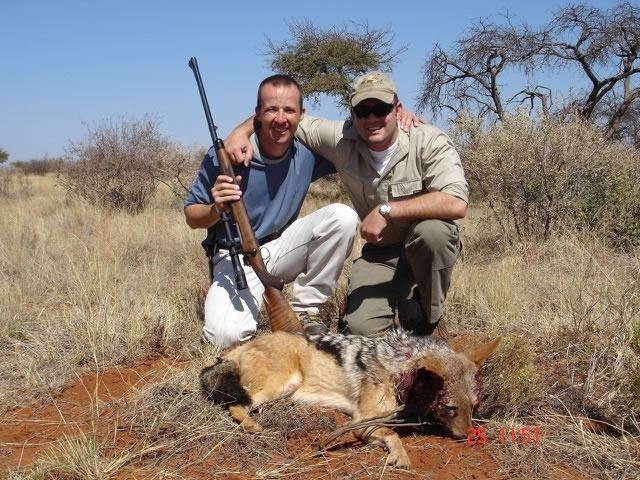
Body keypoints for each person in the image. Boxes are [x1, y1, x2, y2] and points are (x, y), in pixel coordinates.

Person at [225, 71, 468, 336]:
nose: (372, 118)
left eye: (381, 109)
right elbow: (284, 117)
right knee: (361, 329)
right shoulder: (340, 137)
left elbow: (456, 201)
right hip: (382, 254)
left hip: (423, 246)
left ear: (397, 109)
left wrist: (387, 211)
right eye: (363, 111)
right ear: (352, 114)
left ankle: (428, 315)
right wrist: (241, 132)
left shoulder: (428, 139)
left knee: (433, 233)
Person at [184, 74, 359, 347]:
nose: (280, 119)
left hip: (284, 246)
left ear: (302, 115)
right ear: (257, 114)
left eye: (289, 110)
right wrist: (216, 208)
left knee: (343, 217)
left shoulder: (308, 151)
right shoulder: (225, 156)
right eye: (271, 110)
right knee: (224, 336)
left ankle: (306, 310)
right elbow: (191, 216)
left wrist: (403, 118)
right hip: (235, 255)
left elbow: (361, 136)